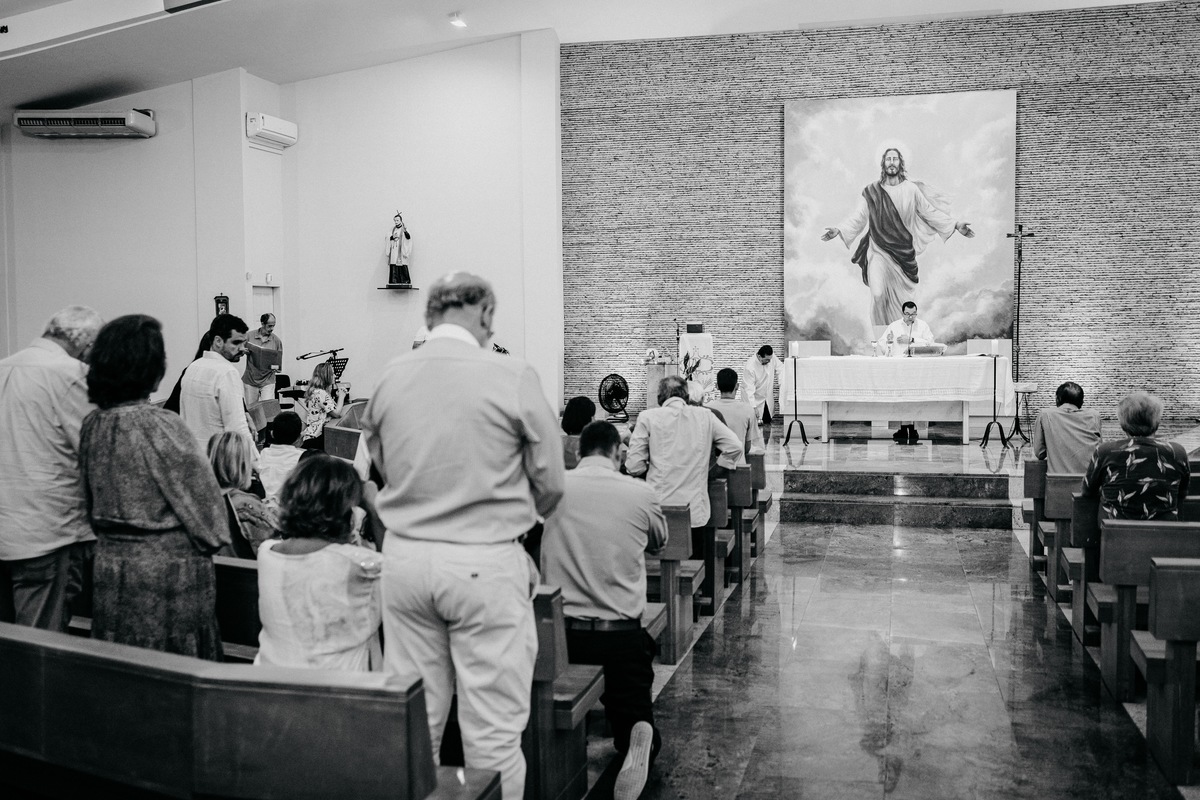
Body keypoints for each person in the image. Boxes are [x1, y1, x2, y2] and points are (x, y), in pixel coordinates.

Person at [362, 271, 564, 800]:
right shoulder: (510, 374)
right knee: (492, 735)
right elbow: (552, 480)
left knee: (417, 728)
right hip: (483, 561)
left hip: (404, 563)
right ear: (486, 314)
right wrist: (517, 519)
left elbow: (380, 462)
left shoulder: (390, 376)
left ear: (430, 316)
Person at [79, 315, 227, 659]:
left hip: (110, 571)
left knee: (122, 666)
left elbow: (88, 501)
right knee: (172, 672)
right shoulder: (162, 426)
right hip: (168, 581)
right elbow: (211, 521)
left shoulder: (93, 424)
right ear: (151, 367)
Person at [541, 421, 668, 799]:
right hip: (620, 635)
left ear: (579, 452)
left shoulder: (552, 490)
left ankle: (565, 753)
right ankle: (637, 735)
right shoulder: (640, 493)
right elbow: (659, 543)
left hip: (561, 636)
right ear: (617, 452)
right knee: (633, 708)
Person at [0, 305, 103, 632]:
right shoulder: (71, 374)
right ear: (86, 345)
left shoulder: (4, 366)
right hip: (46, 532)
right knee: (40, 642)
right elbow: (93, 449)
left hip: (6, 524)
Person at [821, 147, 975, 326]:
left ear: (900, 163)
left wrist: (955, 224)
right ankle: (880, 338)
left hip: (903, 255)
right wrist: (839, 230)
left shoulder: (911, 190)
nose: (892, 162)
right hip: (878, 251)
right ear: (883, 163)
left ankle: (898, 338)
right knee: (878, 294)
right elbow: (859, 217)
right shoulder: (872, 191)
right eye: (888, 159)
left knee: (902, 305)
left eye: (895, 159)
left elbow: (929, 212)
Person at [255, 457, 383, 671]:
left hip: (269, 681)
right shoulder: (359, 565)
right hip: (334, 688)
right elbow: (400, 574)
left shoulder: (267, 553)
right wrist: (374, 510)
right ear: (345, 513)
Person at [626, 374, 742, 529]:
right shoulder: (706, 416)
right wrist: (714, 471)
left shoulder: (647, 417)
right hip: (695, 512)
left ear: (659, 398)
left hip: (659, 513)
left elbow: (633, 466)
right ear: (687, 397)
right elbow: (735, 446)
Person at [1081, 391, 1190, 521]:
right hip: (1165, 531)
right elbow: (1182, 493)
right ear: (1157, 423)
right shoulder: (1177, 452)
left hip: (1115, 530)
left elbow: (1087, 491)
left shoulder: (1105, 451)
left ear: (1123, 424)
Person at [180, 313, 252, 450]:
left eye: (244, 343)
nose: (242, 349)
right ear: (218, 341)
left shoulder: (193, 367)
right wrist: (257, 460)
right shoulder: (227, 372)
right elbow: (237, 429)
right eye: (236, 342)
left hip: (193, 453)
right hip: (217, 455)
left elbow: (184, 418)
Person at [207, 432, 279, 556]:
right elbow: (274, 546)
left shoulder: (200, 499)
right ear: (243, 464)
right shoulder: (246, 505)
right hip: (247, 567)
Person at [1033, 381, 1102, 474]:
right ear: (1081, 402)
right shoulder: (1094, 416)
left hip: (1058, 481)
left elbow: (1039, 453)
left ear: (1058, 399)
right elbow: (1099, 450)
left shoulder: (1045, 415)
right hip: (1089, 481)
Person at [707, 367, 765, 459]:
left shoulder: (707, 408)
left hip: (712, 464)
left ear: (717, 386)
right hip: (738, 463)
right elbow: (747, 448)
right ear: (737, 386)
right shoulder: (748, 410)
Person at [258, 411, 309, 502]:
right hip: (289, 506)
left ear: (272, 434)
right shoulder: (302, 458)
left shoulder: (264, 453)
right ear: (299, 437)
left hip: (266, 502)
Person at [740, 345, 783, 445]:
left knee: (767, 421)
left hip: (766, 398)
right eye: (766, 360)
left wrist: (782, 383)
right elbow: (749, 389)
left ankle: (767, 446)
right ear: (759, 356)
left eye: (770, 359)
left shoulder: (771, 357)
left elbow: (781, 368)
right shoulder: (750, 367)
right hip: (754, 398)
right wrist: (754, 407)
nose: (769, 362)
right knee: (754, 427)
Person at [300, 361, 349, 450]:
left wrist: (337, 397)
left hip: (312, 435)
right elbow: (336, 413)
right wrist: (341, 397)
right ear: (326, 376)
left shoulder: (317, 392)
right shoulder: (321, 393)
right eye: (332, 374)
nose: (335, 376)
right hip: (317, 437)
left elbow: (329, 409)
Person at [243, 313, 282, 406]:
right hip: (251, 379)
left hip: (268, 380)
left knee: (268, 409)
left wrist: (275, 366)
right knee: (252, 409)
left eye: (273, 325)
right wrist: (243, 351)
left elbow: (278, 365)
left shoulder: (276, 341)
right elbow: (238, 350)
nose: (272, 328)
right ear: (262, 324)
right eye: (269, 326)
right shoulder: (249, 336)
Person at [386, 212, 413, 286]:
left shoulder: (404, 229)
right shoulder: (392, 229)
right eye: (395, 220)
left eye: (397, 220)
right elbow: (387, 237)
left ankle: (405, 280)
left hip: (401, 251)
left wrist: (405, 232)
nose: (396, 222)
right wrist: (392, 237)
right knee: (394, 264)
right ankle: (394, 280)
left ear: (401, 220)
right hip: (394, 250)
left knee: (402, 264)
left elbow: (408, 238)